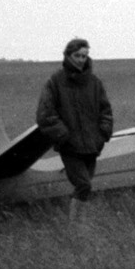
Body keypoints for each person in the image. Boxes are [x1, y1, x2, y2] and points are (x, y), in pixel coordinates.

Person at [36, 38, 114, 220]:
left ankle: (79, 223)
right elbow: (45, 114)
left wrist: (102, 135)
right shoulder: (55, 82)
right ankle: (76, 225)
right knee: (84, 185)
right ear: (68, 55)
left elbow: (106, 111)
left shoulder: (94, 83)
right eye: (77, 55)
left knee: (85, 187)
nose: (80, 59)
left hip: (92, 146)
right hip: (70, 147)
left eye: (84, 56)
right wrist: (64, 136)